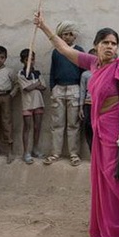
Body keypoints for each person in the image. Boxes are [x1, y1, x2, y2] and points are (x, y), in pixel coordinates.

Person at [33, 13, 119, 237]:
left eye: (114, 43)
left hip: (116, 130)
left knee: (115, 178)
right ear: (96, 46)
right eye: (105, 43)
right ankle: (115, 226)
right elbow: (64, 50)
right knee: (101, 180)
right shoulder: (92, 64)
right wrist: (45, 28)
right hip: (98, 128)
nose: (110, 47)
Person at [44, 21, 84, 167]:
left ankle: (74, 154)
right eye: (64, 34)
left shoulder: (79, 51)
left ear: (74, 36)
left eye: (69, 34)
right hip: (59, 89)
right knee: (57, 123)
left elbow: (82, 72)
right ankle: (55, 153)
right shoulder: (56, 51)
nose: (67, 37)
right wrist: (53, 88)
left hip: (74, 89)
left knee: (73, 124)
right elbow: (53, 71)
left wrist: (81, 91)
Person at [17, 49, 47, 165]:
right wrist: (37, 84)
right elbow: (27, 88)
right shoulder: (21, 74)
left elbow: (44, 87)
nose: (30, 62)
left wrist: (34, 85)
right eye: (27, 60)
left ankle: (35, 149)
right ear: (22, 61)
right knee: (27, 127)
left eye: (32, 59)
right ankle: (26, 152)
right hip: (27, 103)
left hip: (38, 102)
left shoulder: (38, 73)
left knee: (37, 127)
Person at [79, 49, 96, 151]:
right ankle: (92, 151)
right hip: (88, 105)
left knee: (99, 129)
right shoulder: (85, 74)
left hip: (100, 105)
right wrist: (81, 107)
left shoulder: (104, 72)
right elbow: (82, 91)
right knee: (88, 127)